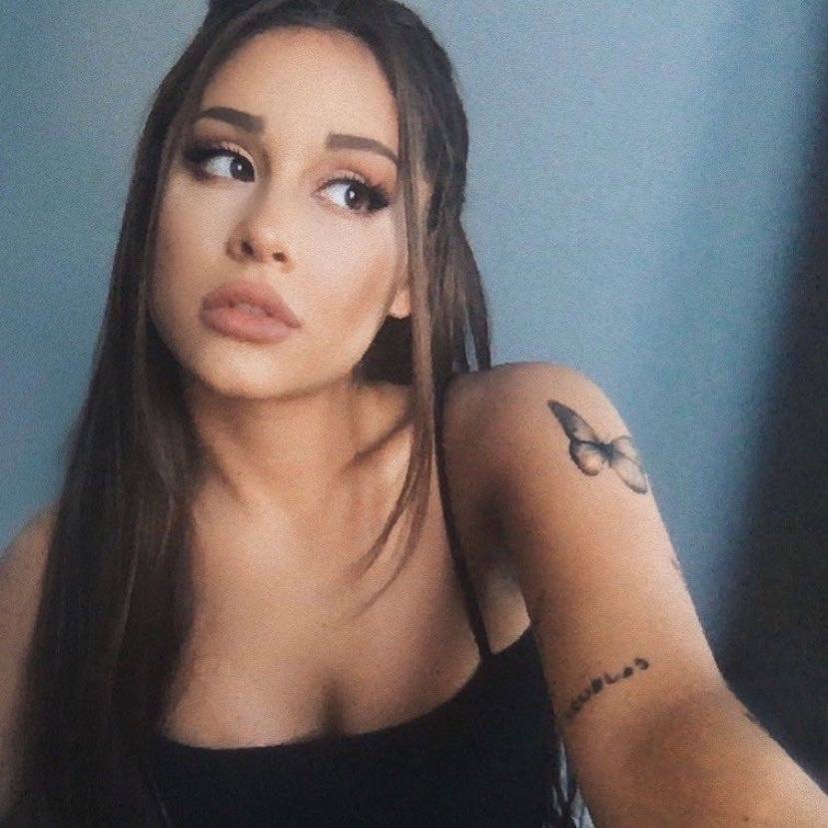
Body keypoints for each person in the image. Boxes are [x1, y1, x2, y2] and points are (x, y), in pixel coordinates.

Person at [1, 0, 826, 825]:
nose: (266, 232)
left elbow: (663, 724)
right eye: (225, 162)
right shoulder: (58, 575)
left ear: (411, 274)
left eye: (352, 192)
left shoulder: (514, 439)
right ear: (151, 204)